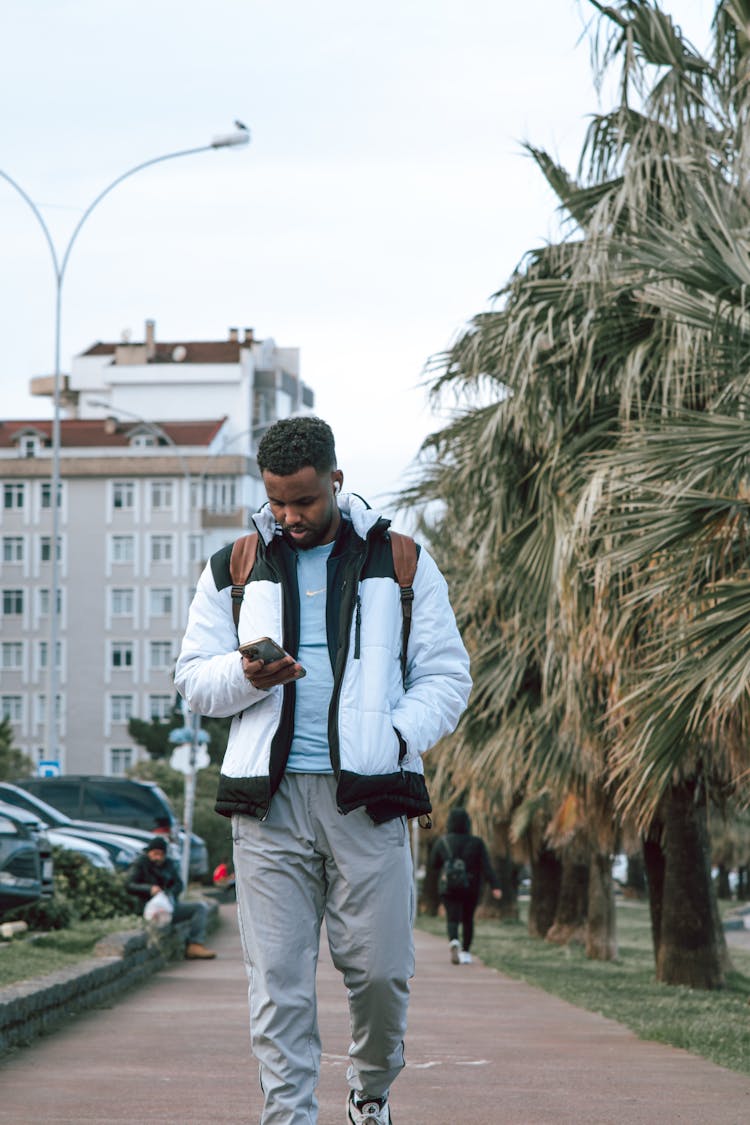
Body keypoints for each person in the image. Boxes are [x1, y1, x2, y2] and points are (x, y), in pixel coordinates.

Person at [175, 415, 472, 1125]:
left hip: (368, 800)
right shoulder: (235, 566)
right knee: (279, 984)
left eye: (304, 500)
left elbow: (446, 674)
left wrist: (394, 733)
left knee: (380, 974)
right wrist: (248, 673)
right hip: (269, 806)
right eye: (277, 500)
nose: (289, 515)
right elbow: (193, 679)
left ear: (335, 481)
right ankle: (289, 1114)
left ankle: (369, 1091)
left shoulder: (400, 560)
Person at [429, 806, 501, 965]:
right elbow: (486, 866)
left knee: (452, 918)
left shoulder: (443, 842)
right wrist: (495, 886)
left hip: (448, 887)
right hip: (471, 886)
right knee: (468, 919)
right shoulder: (477, 842)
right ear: (468, 823)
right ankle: (466, 953)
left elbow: (433, 864)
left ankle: (454, 940)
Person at [125, 837, 217, 960]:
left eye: (161, 854)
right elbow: (129, 885)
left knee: (200, 908)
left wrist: (169, 893)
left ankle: (195, 945)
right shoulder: (140, 864)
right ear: (149, 853)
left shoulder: (169, 864)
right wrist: (149, 889)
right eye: (155, 854)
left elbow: (179, 884)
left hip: (168, 906)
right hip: (148, 908)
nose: (158, 857)